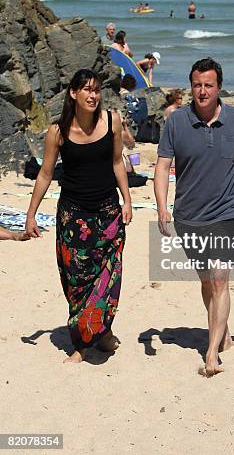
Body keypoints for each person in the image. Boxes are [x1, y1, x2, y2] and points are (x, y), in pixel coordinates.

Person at [154, 57, 234, 377]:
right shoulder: (176, 122)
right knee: (207, 281)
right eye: (197, 85)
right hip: (189, 215)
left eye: (208, 85)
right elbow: (162, 167)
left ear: (219, 87)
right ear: (190, 87)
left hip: (228, 211)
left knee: (220, 279)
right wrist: (162, 206)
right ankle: (224, 333)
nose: (202, 91)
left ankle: (211, 353)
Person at [25, 69, 132, 363]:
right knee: (78, 281)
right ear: (73, 93)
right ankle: (85, 341)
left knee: (108, 277)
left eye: (96, 89)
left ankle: (98, 336)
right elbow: (45, 174)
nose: (92, 95)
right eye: (86, 89)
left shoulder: (112, 121)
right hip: (73, 217)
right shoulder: (57, 132)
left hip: (108, 212)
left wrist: (128, 200)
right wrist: (31, 215)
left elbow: (117, 163)